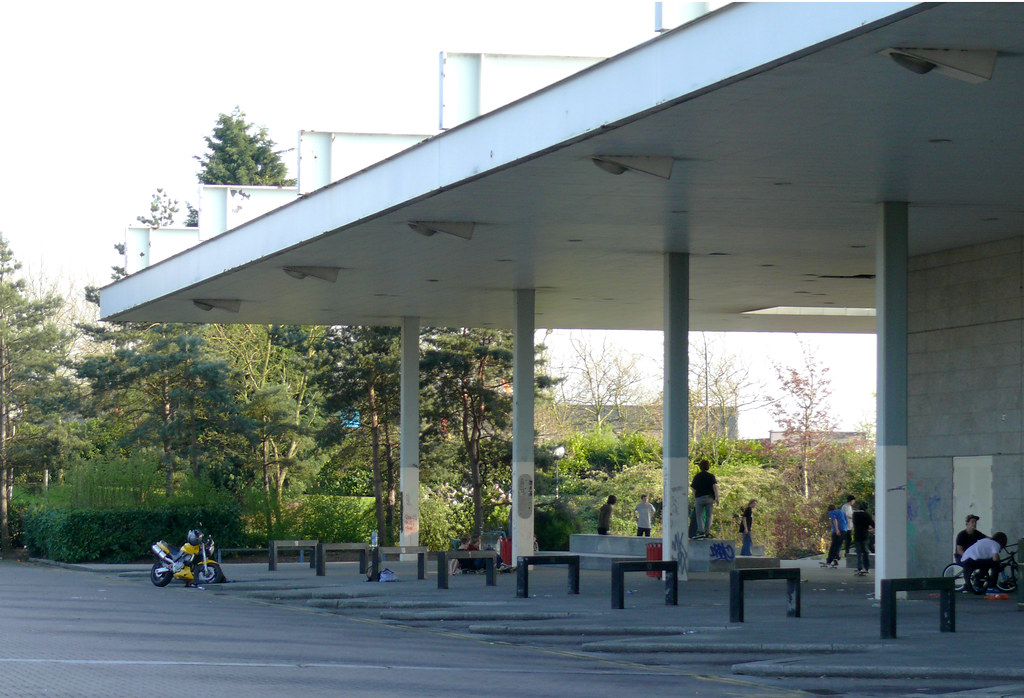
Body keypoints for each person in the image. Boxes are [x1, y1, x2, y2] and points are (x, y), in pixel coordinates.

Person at [690, 459, 719, 539]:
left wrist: (695, 495)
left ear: (700, 467)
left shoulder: (697, 476)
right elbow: (715, 487)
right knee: (709, 515)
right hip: (709, 498)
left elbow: (693, 488)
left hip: (699, 498)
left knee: (699, 515)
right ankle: (707, 531)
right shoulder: (711, 476)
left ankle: (701, 530)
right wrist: (717, 498)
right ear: (708, 467)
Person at [851, 505, 874, 575]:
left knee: (859, 552)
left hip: (856, 534)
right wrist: (870, 529)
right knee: (865, 552)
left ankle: (859, 567)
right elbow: (873, 524)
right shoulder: (866, 515)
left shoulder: (854, 515)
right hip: (864, 535)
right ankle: (866, 567)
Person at [823, 503, 847, 568]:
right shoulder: (841, 511)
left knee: (833, 545)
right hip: (844, 529)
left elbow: (835, 520)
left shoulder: (831, 512)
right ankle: (836, 557)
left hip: (837, 530)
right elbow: (846, 520)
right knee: (838, 545)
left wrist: (837, 530)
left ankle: (830, 560)